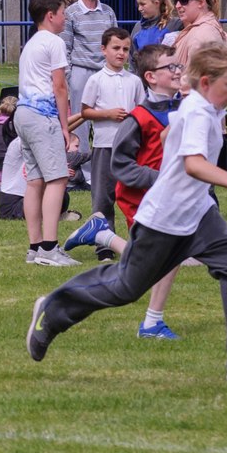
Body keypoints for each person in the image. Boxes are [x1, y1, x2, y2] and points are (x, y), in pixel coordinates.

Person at [27, 40, 227, 381]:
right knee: (125, 287)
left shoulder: (201, 105)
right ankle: (53, 309)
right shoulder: (197, 111)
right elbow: (193, 164)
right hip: (165, 218)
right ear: (206, 82)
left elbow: (166, 137)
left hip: (199, 214)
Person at [64, 43, 186, 339]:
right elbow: (121, 167)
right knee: (148, 264)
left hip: (167, 195)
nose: (178, 72)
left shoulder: (179, 107)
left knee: (168, 255)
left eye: (179, 66)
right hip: (139, 196)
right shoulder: (140, 118)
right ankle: (102, 236)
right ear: (151, 77)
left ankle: (153, 322)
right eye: (171, 67)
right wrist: (160, 177)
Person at [18, 0, 78, 266]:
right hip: (43, 116)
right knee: (57, 179)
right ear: (51, 15)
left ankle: (34, 247)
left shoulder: (31, 43)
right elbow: (60, 86)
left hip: (23, 114)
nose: (66, 18)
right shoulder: (54, 42)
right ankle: (49, 248)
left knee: (34, 181)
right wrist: (65, 126)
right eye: (63, 13)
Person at [79, 26, 146, 261]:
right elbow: (85, 111)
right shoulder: (95, 80)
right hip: (104, 145)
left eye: (125, 49)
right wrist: (107, 113)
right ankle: (104, 244)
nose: (121, 53)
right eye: (116, 48)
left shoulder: (134, 81)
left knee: (133, 195)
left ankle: (139, 242)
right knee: (102, 197)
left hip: (130, 147)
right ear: (103, 50)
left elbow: (142, 110)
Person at [61, 0, 117, 187]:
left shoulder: (108, 11)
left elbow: (115, 43)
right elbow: (65, 46)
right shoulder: (71, 13)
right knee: (81, 122)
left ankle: (108, 170)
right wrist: (69, 76)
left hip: (105, 71)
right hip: (81, 71)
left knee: (109, 120)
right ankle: (84, 173)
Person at [170, 0, 227, 68]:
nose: (177, 5)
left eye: (183, 0)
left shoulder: (203, 34)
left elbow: (202, 74)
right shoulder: (200, 29)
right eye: (176, 1)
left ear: (201, 2)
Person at [130, 0, 181, 67]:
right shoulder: (138, 28)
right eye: (138, 4)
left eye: (143, 4)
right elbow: (132, 60)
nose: (139, 8)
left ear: (157, 3)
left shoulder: (175, 24)